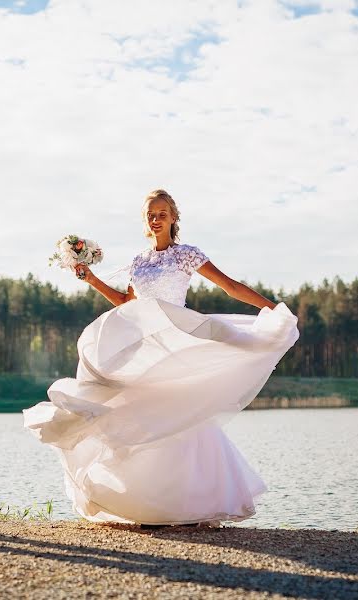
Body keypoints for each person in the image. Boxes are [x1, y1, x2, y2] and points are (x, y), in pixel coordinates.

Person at [24, 189, 299, 526]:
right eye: (150, 214)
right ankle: (146, 505)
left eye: (162, 213)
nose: (156, 219)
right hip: (145, 344)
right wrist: (92, 279)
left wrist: (270, 307)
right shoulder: (139, 261)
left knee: (179, 417)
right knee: (140, 413)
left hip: (177, 339)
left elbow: (228, 286)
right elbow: (128, 304)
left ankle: (186, 504)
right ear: (145, 221)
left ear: (173, 217)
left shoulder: (186, 255)